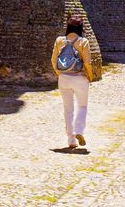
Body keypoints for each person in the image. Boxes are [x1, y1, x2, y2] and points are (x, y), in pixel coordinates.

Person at [51, 17, 93, 150]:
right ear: (80, 28)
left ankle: (71, 139)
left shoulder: (59, 40)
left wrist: (60, 74)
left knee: (68, 109)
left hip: (63, 78)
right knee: (82, 106)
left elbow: (53, 60)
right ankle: (79, 131)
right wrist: (90, 76)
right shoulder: (83, 41)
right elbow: (87, 62)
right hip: (80, 77)